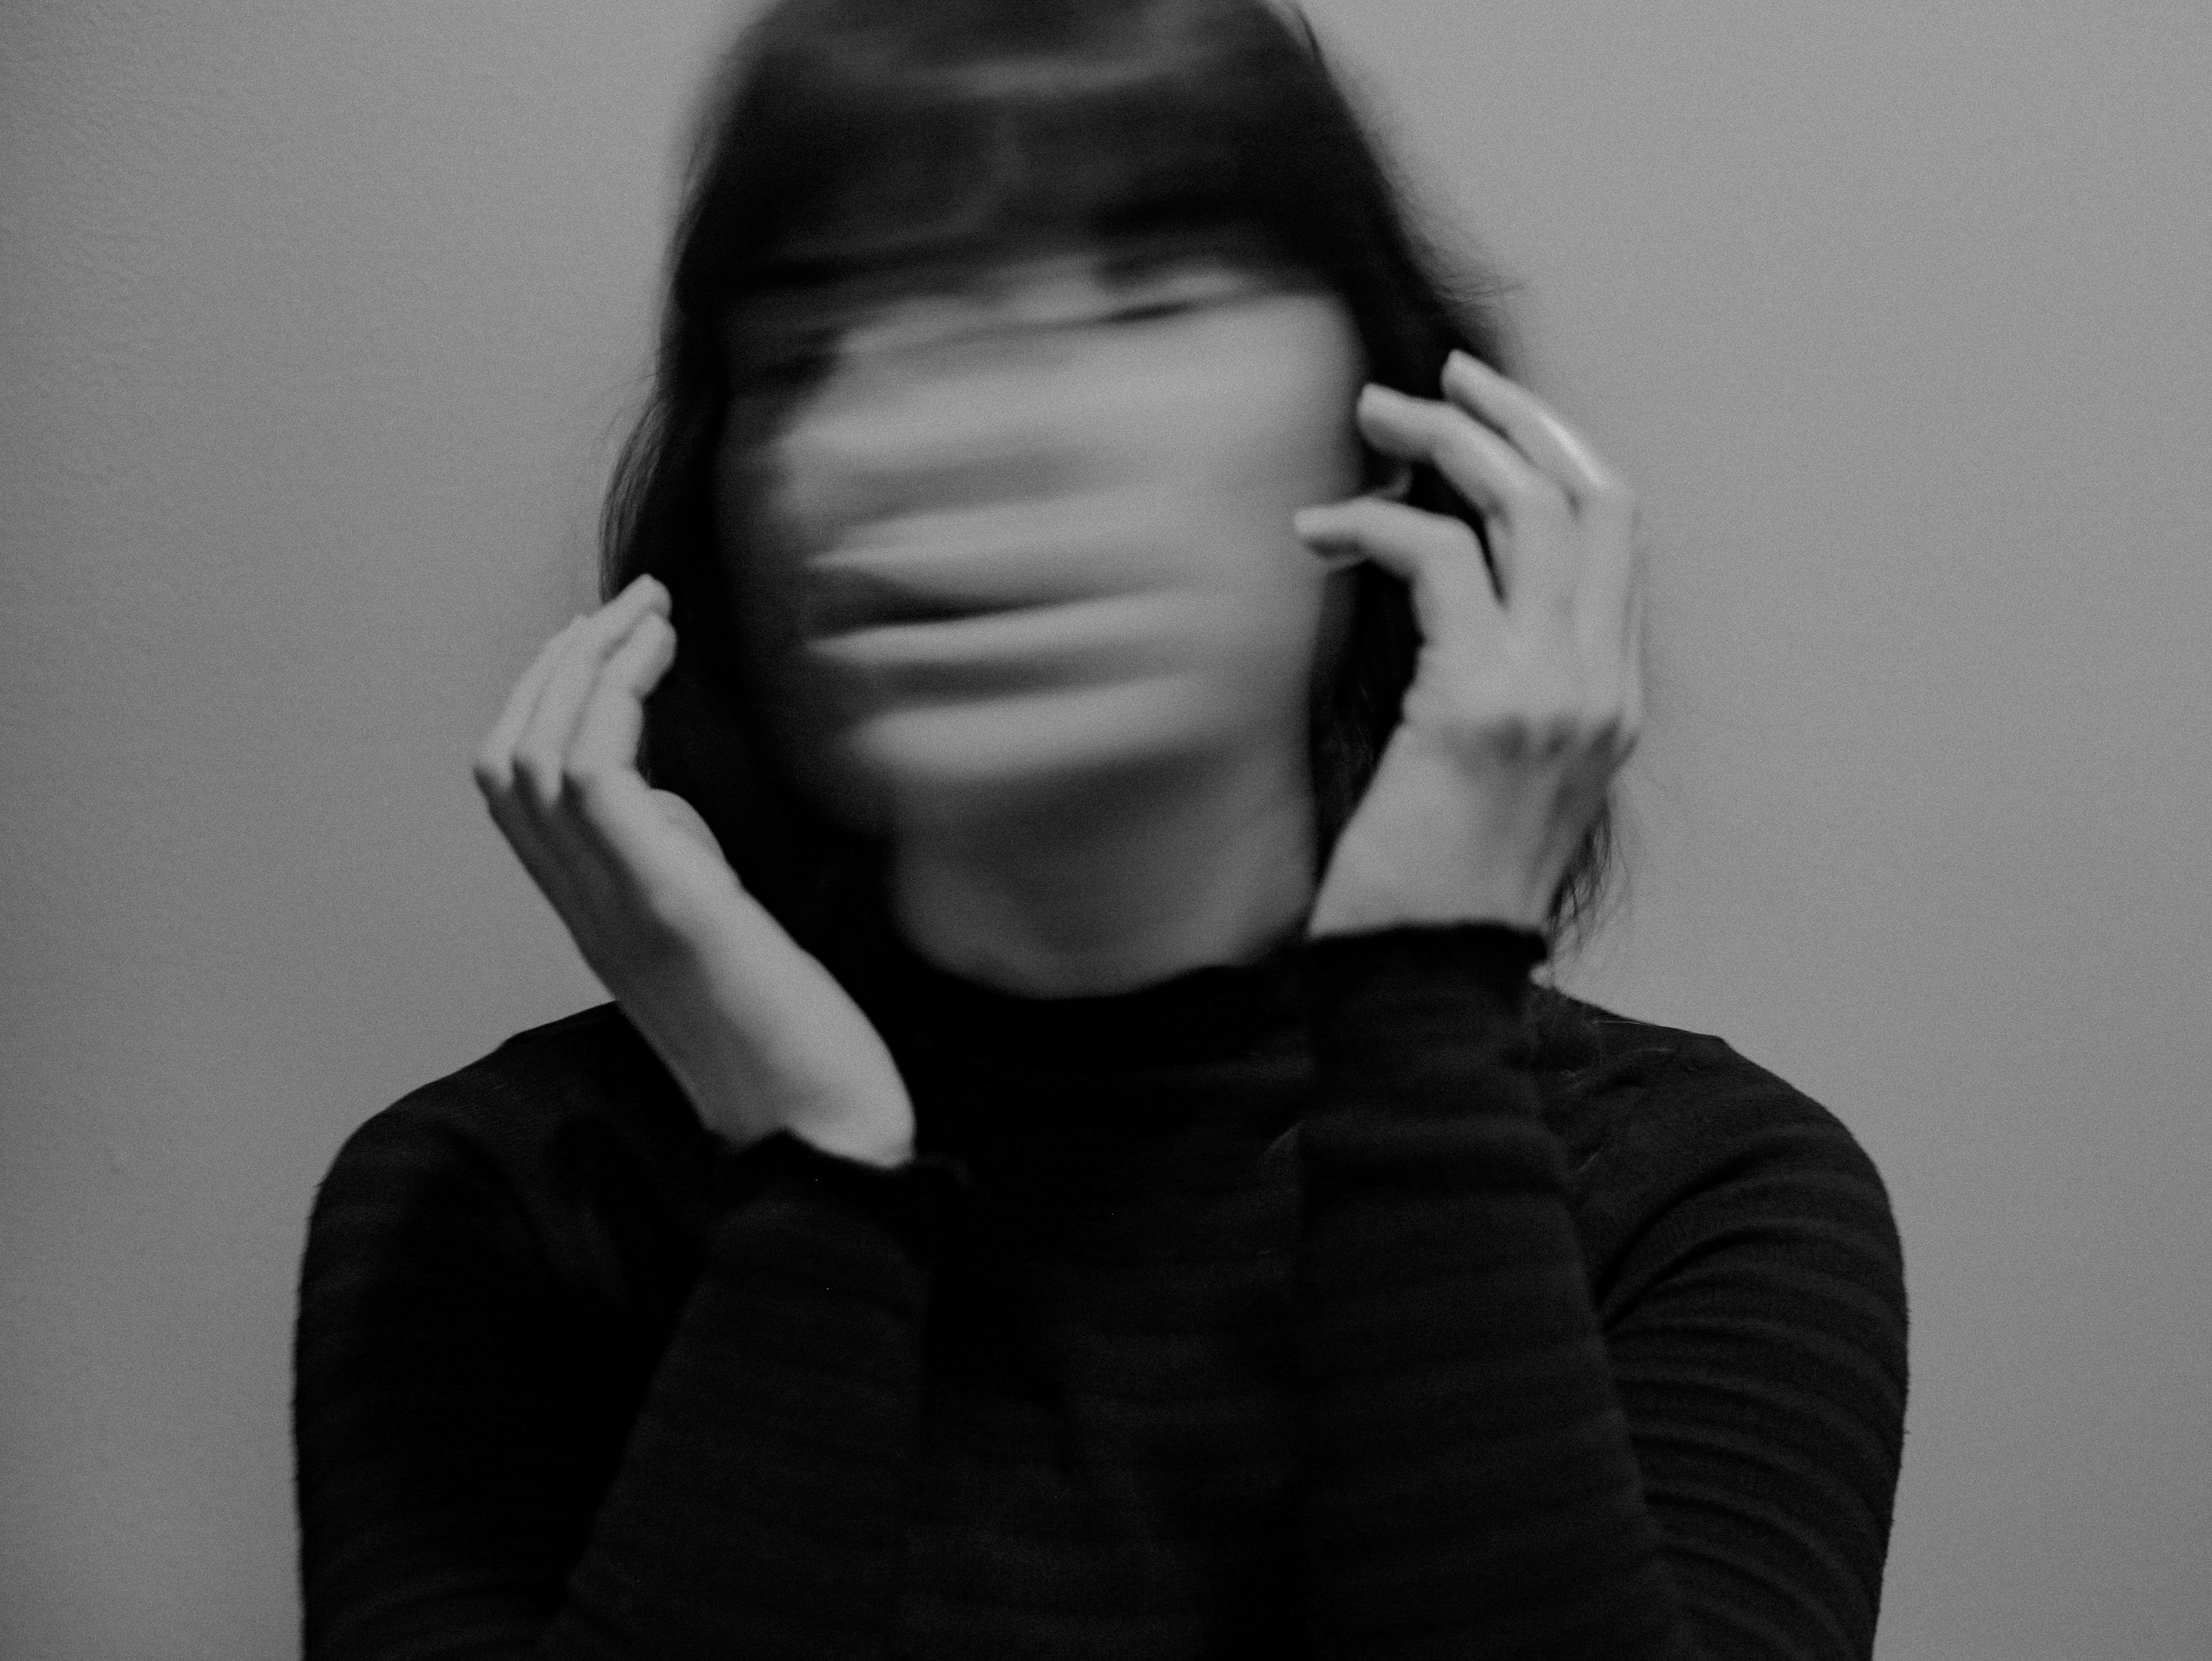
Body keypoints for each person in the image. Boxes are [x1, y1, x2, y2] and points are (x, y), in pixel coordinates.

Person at [291, 1, 1908, 1656]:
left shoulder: (1696, 1200)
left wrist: (1425, 1007)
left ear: (1393, 440)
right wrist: (815, 1189)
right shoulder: (491, 1209)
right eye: (828, 338)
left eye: (1146, 299)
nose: (975, 438)